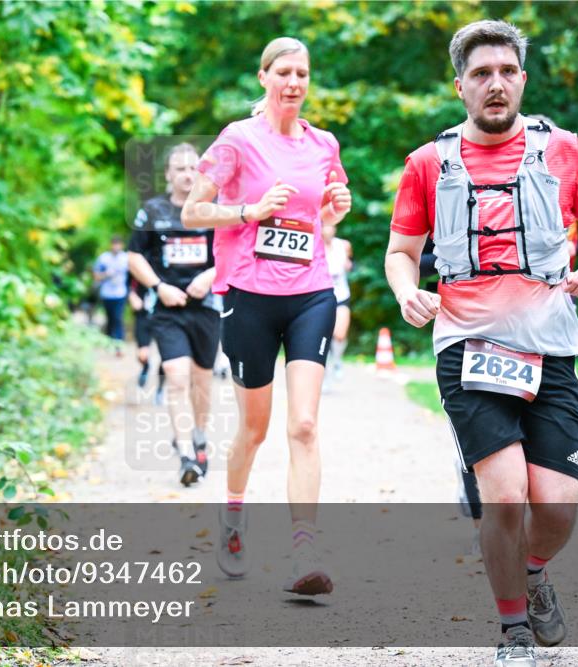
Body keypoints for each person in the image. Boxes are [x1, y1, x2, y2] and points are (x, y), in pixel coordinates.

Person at [384, 20, 578, 667]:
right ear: (459, 85)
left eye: (507, 72)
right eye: (482, 73)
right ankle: (513, 628)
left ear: (523, 79)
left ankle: (533, 570)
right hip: (469, 344)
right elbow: (401, 251)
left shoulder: (564, 150)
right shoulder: (428, 163)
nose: (496, 84)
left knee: (558, 506)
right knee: (507, 493)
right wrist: (407, 290)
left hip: (550, 346)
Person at [182, 37, 352, 595]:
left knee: (303, 424)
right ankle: (233, 516)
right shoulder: (238, 139)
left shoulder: (324, 144)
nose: (293, 82)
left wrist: (334, 209)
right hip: (249, 296)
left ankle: (304, 551)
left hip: (311, 292)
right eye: (283, 72)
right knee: (254, 430)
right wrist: (248, 211)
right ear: (264, 77)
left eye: (302, 73)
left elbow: (320, 216)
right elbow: (193, 211)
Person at [129, 143, 220, 486]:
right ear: (168, 174)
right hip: (167, 310)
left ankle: (199, 438)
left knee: (202, 381)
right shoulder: (152, 211)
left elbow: (233, 253)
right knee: (176, 376)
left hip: (206, 307)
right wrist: (159, 286)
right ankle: (185, 456)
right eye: (179, 169)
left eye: (193, 168)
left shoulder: (213, 210)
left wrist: (208, 277)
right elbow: (134, 257)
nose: (187, 175)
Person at [321, 223, 353, 386]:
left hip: (341, 295)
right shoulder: (315, 245)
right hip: (321, 295)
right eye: (325, 227)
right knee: (323, 335)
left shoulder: (344, 245)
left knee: (340, 334)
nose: (328, 230)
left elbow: (350, 265)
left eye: (331, 226)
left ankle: (337, 360)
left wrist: (348, 264)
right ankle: (325, 373)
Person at [93, 236, 129, 348]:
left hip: (120, 293)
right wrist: (106, 274)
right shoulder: (104, 258)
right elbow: (96, 276)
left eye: (118, 244)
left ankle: (119, 344)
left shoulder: (126, 258)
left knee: (118, 318)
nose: (116, 247)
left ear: (121, 245)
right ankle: (110, 342)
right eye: (114, 244)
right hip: (107, 294)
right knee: (110, 319)